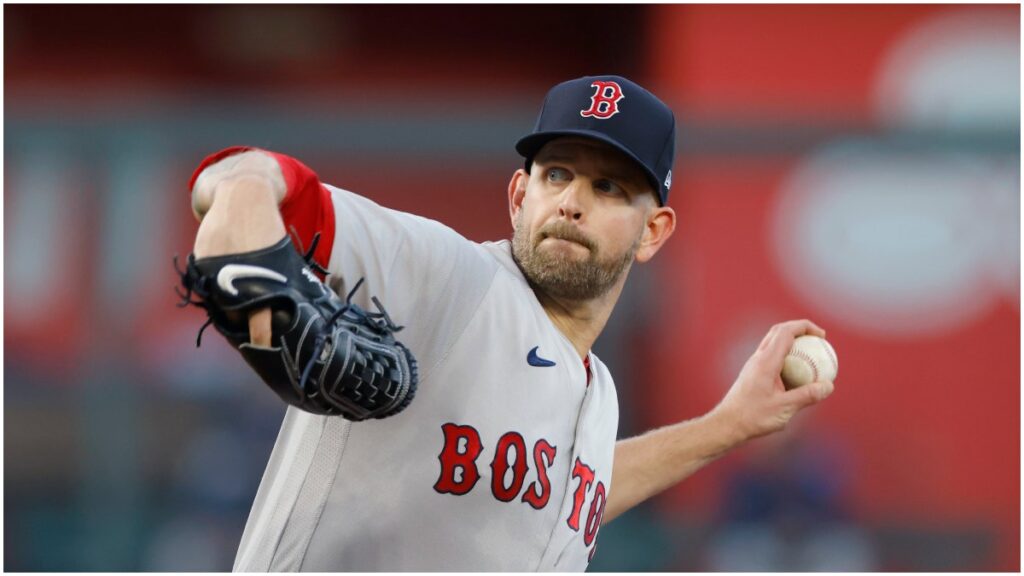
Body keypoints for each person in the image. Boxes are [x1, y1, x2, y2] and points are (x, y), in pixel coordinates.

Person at [185, 75, 835, 571]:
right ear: (520, 195)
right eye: (557, 174)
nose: (573, 202)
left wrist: (731, 426)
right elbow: (240, 177)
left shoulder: (597, 390)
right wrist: (259, 292)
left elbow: (568, 493)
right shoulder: (451, 280)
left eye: (609, 187)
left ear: (653, 231)